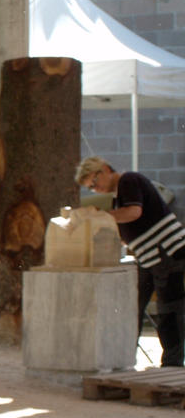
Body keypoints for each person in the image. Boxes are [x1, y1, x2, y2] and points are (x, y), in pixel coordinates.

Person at [76, 156, 185, 365]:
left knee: (169, 309)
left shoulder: (128, 180)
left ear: (105, 169)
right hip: (149, 258)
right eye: (91, 187)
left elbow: (134, 212)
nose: (95, 188)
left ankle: (173, 364)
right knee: (133, 305)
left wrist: (101, 215)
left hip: (166, 252)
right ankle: (124, 358)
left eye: (94, 182)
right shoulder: (117, 196)